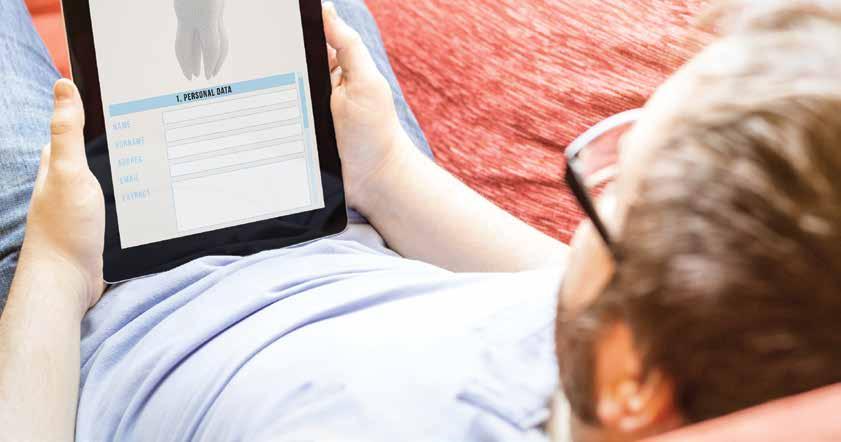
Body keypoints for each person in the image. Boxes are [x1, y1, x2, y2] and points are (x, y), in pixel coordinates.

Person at [1, 0, 840, 441]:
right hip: (342, 213)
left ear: (632, 382)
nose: (599, 163)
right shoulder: (659, 344)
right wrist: (385, 171)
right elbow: (555, 287)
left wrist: (55, 263)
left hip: (93, 311)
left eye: (612, 186)